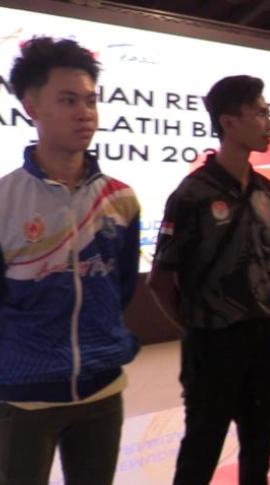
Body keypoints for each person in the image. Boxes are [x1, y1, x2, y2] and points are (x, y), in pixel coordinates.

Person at [0, 37, 141, 485]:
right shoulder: (4, 201)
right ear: (32, 108)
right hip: (25, 396)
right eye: (67, 100)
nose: (85, 113)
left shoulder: (120, 199)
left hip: (103, 389)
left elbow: (121, 288)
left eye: (90, 100)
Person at [148, 75, 270, 485]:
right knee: (200, 454)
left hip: (261, 341)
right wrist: (197, 329)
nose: (269, 123)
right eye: (260, 112)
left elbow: (262, 264)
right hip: (210, 345)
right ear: (228, 122)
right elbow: (160, 281)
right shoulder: (191, 195)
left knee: (258, 452)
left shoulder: (269, 192)